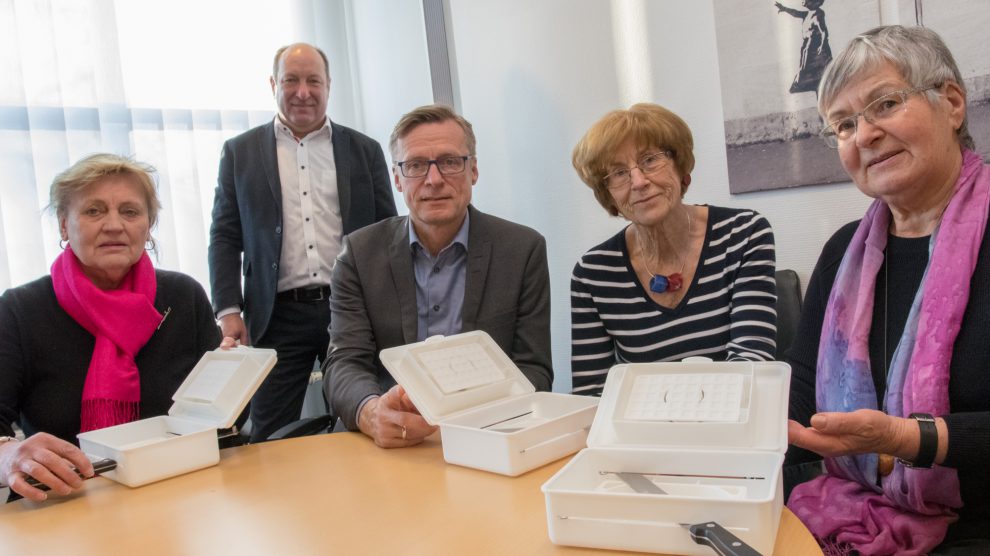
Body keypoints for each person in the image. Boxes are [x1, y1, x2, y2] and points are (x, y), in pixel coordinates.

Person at [785, 25, 990, 555]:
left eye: (885, 104)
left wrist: (906, 439)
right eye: (844, 125)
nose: (865, 134)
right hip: (855, 510)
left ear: (951, 103)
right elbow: (802, 396)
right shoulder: (841, 252)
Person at [0, 154, 224, 502]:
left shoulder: (184, 296)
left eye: (130, 212)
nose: (114, 224)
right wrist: (9, 454)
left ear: (148, 227)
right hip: (64, 503)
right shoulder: (20, 309)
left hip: (179, 495)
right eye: (94, 210)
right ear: (63, 225)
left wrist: (229, 381)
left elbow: (222, 426)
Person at [326, 104, 553, 448]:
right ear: (397, 178)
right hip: (388, 439)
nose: (434, 180)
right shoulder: (358, 254)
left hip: (485, 437)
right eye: (416, 165)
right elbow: (344, 363)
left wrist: (469, 418)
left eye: (449, 162)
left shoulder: (522, 250)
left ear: (473, 170)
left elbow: (534, 370)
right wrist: (372, 413)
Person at [208, 43, 397, 442]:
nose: (303, 91)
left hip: (352, 310)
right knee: (271, 436)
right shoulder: (240, 153)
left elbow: (388, 233)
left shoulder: (364, 151)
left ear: (329, 86)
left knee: (362, 421)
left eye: (314, 81)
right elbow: (224, 235)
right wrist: (228, 310)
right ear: (274, 84)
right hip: (276, 317)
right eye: (291, 80)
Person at [569, 103, 777, 396]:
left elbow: (752, 364)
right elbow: (592, 394)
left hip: (733, 426)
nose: (639, 182)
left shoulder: (743, 234)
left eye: (650, 160)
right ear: (609, 196)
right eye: (618, 173)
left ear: (680, 167)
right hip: (644, 436)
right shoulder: (593, 274)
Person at [775, 0, 832, 94]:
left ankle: (820, 91)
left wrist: (821, 46)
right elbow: (795, 13)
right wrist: (784, 8)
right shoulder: (808, 14)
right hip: (808, 45)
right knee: (810, 73)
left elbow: (823, 32)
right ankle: (819, 90)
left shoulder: (817, 14)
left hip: (814, 46)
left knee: (814, 73)